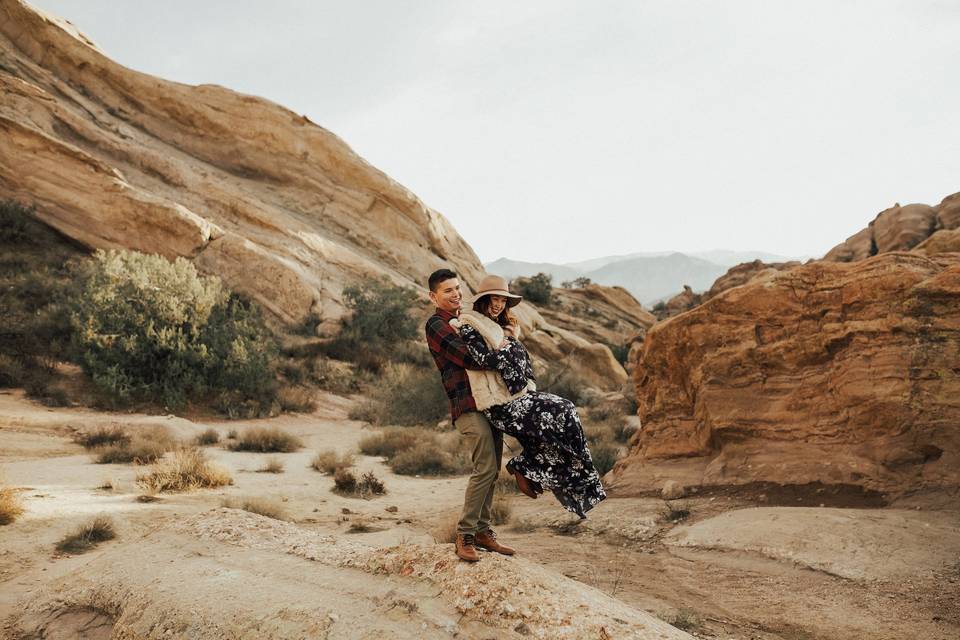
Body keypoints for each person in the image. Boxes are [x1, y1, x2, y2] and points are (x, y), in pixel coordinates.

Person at [450, 274, 606, 519]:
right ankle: (524, 467)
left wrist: (510, 344)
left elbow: (519, 363)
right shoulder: (470, 325)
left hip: (519, 396)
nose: (498, 304)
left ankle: (578, 485)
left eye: (503, 300)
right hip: (500, 404)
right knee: (563, 409)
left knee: (566, 415)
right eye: (494, 298)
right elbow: (482, 360)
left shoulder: (504, 327)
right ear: (483, 300)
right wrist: (508, 344)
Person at [424, 268, 517, 563]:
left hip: (492, 402)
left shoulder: (470, 321)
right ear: (433, 296)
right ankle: (464, 535)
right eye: (448, 291)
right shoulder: (436, 324)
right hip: (467, 405)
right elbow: (468, 358)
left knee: (492, 470)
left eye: (458, 289)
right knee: (486, 466)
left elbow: (496, 341)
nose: (456, 295)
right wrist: (502, 352)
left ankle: (482, 531)